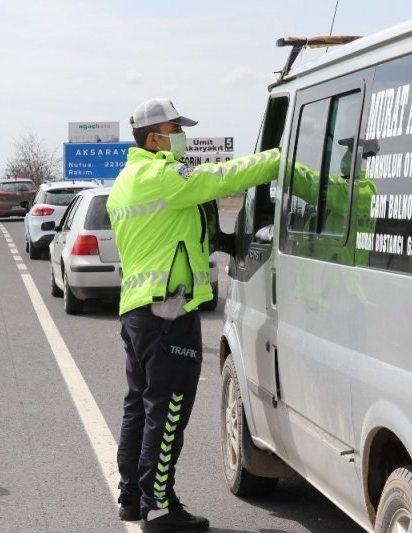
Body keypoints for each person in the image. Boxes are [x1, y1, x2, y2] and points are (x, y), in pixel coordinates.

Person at [107, 98, 280, 532]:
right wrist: (283, 156)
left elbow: (176, 235)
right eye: (173, 128)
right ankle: (159, 507)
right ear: (153, 138)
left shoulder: (126, 181)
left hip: (137, 312)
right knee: (167, 411)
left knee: (139, 408)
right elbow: (223, 177)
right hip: (169, 310)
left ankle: (132, 498)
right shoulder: (164, 176)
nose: (180, 135)